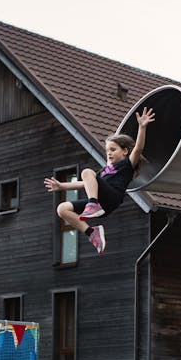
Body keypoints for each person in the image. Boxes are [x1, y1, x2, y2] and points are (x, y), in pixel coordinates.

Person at [44, 106, 155, 253]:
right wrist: (62, 186)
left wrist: (142, 127)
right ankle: (92, 233)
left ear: (125, 151)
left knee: (87, 172)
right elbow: (86, 183)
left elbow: (138, 149)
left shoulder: (127, 164)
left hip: (112, 197)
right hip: (103, 205)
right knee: (62, 209)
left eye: (113, 150)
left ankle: (92, 204)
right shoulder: (104, 171)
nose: (109, 153)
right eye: (107, 150)